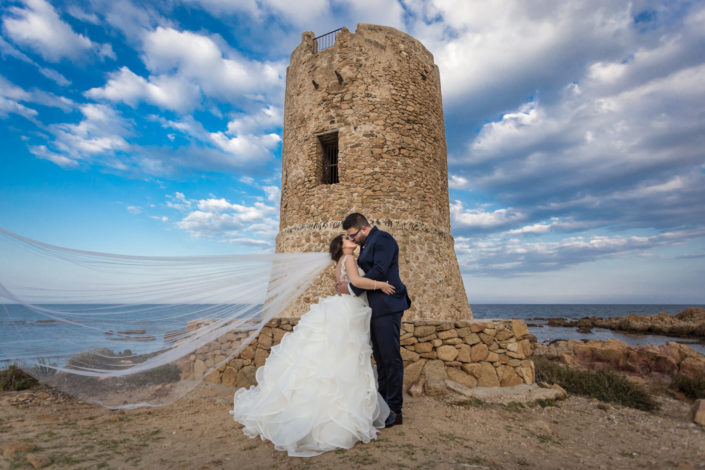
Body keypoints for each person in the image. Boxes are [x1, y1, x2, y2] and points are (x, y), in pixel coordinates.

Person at [231, 235, 394, 457]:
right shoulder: (348, 259)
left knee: (335, 355)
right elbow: (356, 283)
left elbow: (345, 285)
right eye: (347, 238)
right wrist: (380, 284)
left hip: (341, 307)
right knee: (344, 356)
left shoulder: (339, 263)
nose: (351, 239)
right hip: (347, 311)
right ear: (342, 246)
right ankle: (335, 416)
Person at [336, 213, 411, 428]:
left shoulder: (383, 239)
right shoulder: (369, 243)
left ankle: (395, 410)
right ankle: (383, 404)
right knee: (380, 357)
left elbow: (380, 270)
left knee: (390, 358)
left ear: (364, 229)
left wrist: (352, 287)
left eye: (353, 234)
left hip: (388, 305)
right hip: (374, 307)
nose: (353, 239)